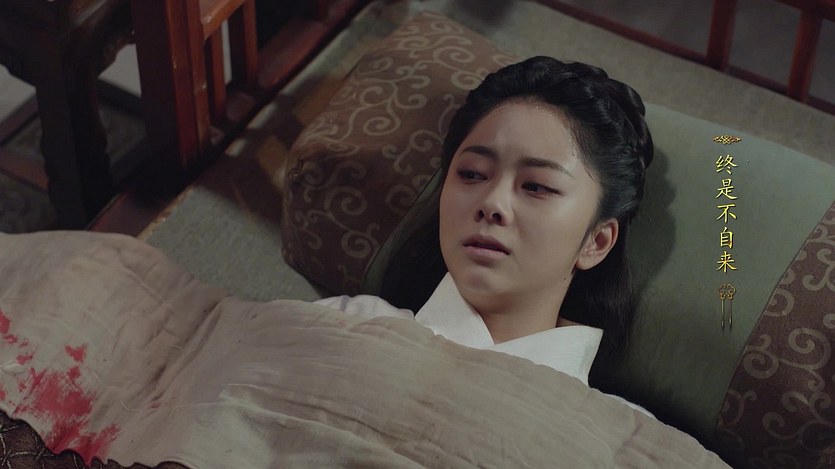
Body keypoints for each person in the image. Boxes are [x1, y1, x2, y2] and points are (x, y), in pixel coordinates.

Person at [317, 56, 653, 399]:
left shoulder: (611, 424)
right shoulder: (339, 324)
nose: (492, 203)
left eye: (536, 186)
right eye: (472, 174)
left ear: (596, 242)